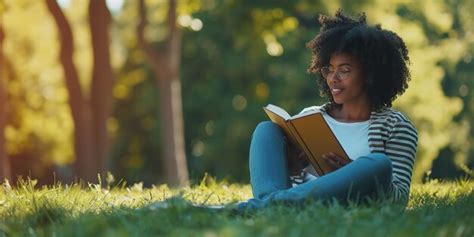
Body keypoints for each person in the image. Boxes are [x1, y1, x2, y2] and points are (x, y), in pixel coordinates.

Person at [236, 9, 418, 211]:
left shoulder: (397, 126)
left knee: (378, 164)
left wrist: (352, 174)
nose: (333, 78)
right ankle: (269, 206)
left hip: (346, 204)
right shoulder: (310, 116)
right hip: (298, 205)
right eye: (329, 69)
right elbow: (296, 178)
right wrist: (293, 167)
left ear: (370, 74)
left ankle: (259, 208)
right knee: (266, 129)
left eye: (344, 70)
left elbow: (399, 199)